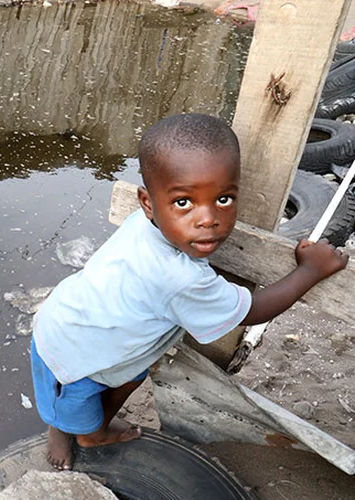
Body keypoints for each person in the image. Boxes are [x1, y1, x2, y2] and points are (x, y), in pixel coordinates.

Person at [30, 113, 349, 471]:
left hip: (91, 327)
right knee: (69, 406)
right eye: (184, 202)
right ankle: (71, 433)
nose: (208, 219)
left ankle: (93, 425)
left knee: (130, 377)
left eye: (224, 199)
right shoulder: (180, 278)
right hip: (71, 353)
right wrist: (310, 270)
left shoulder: (144, 225)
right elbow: (254, 310)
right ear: (148, 202)